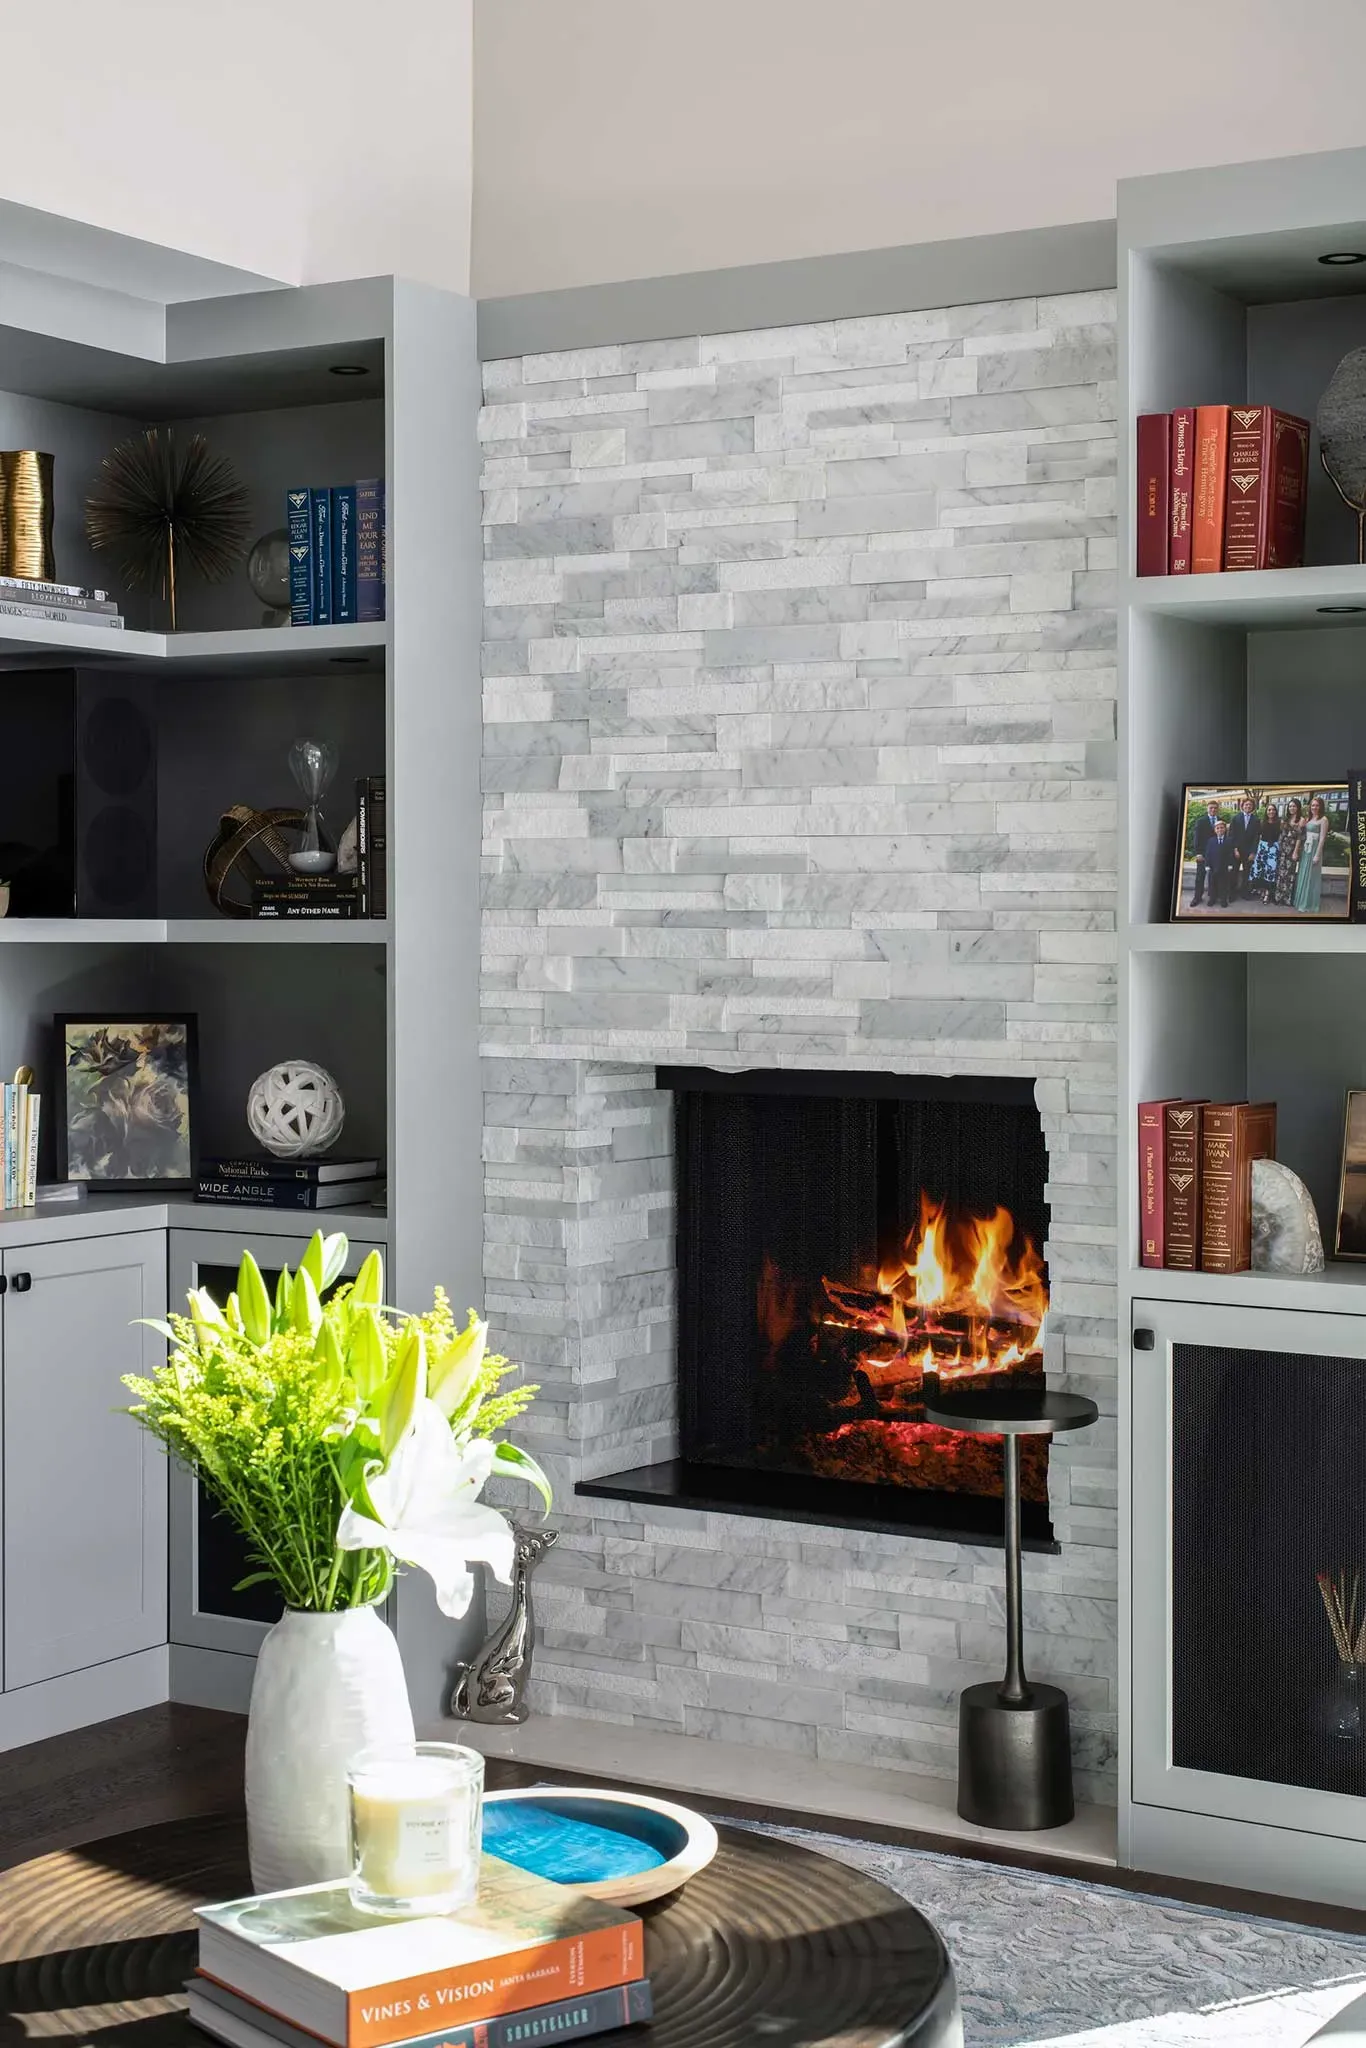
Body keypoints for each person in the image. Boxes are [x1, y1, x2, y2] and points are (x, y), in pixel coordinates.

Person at [1292, 794, 1328, 913]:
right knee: (1303, 874)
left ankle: (1309, 903)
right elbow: (1301, 832)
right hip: (1306, 850)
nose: (1314, 807)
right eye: (1313, 805)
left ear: (1321, 806)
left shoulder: (1323, 820)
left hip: (1314, 850)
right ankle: (1300, 900)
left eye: (1317, 805)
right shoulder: (1308, 819)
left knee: (1311, 876)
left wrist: (1317, 854)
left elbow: (1322, 838)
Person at [1188, 798, 1223, 908]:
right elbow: (1197, 838)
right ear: (1207, 809)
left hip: (1216, 854)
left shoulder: (1221, 820)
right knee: (1200, 876)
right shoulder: (1201, 821)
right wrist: (1198, 853)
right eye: (1211, 808)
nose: (1213, 810)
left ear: (1218, 809)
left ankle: (1213, 896)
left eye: (1215, 808)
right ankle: (1197, 897)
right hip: (1203, 854)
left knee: (1215, 875)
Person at [1227, 794, 1262, 899]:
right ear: (1242, 806)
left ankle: (1244, 893)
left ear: (1253, 807)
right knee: (1234, 872)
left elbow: (1256, 837)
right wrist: (1235, 849)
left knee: (1247, 873)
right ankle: (1232, 893)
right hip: (1237, 850)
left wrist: (1253, 852)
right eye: (1246, 805)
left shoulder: (1256, 820)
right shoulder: (1235, 818)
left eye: (1250, 805)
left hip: (1248, 852)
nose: (1248, 807)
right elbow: (1231, 835)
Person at [1274, 797, 1305, 908]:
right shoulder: (1285, 819)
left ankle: (1287, 899)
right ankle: (1278, 897)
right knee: (1280, 873)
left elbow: (1299, 838)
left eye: (1294, 806)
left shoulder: (1301, 820)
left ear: (1298, 808)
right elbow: (1281, 835)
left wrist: (1296, 852)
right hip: (1282, 849)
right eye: (1290, 806)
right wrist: (1278, 846)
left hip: (1292, 849)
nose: (1292, 808)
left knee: (1289, 875)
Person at [1248, 801, 1281, 901]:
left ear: (1276, 811)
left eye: (1273, 810)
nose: (1271, 812)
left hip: (1273, 849)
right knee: (1260, 870)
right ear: (1266, 811)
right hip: (1262, 848)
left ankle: (1267, 893)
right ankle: (1261, 890)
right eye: (1269, 810)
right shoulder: (1261, 822)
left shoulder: (1280, 822)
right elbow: (1257, 836)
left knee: (1270, 870)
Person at [1203, 817, 1235, 907]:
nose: (1220, 829)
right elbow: (1207, 853)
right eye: (1218, 828)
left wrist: (1230, 864)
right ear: (1215, 830)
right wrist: (1207, 865)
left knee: (1223, 883)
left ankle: (1223, 899)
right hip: (1213, 866)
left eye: (1222, 827)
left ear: (1225, 829)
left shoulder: (1229, 840)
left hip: (1224, 867)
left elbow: (1230, 854)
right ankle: (1212, 899)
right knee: (1212, 883)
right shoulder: (1211, 841)